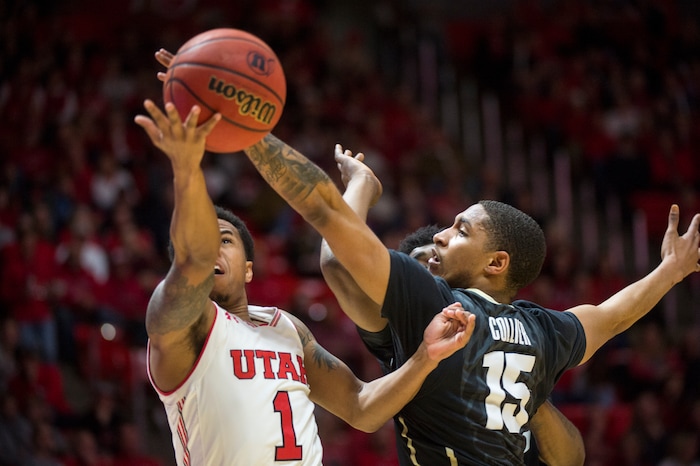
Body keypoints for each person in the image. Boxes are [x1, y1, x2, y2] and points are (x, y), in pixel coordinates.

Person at [237, 132, 700, 465]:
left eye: (460, 229)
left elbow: (326, 216)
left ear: (495, 263)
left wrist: (247, 130)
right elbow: (612, 316)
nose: (440, 236)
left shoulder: (435, 306)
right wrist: (670, 271)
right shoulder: (545, 329)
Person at [133, 100, 475, 466]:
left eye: (226, 241)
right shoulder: (183, 326)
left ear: (249, 269)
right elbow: (193, 260)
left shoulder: (287, 328)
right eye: (206, 240)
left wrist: (426, 356)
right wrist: (186, 167)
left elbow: (361, 408)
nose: (212, 249)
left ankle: (361, 187)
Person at [321, 159, 584, 466]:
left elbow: (572, 459)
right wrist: (361, 185)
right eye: (418, 269)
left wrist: (528, 388)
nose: (426, 279)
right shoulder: (393, 331)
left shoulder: (512, 344)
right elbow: (338, 263)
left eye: (435, 265)